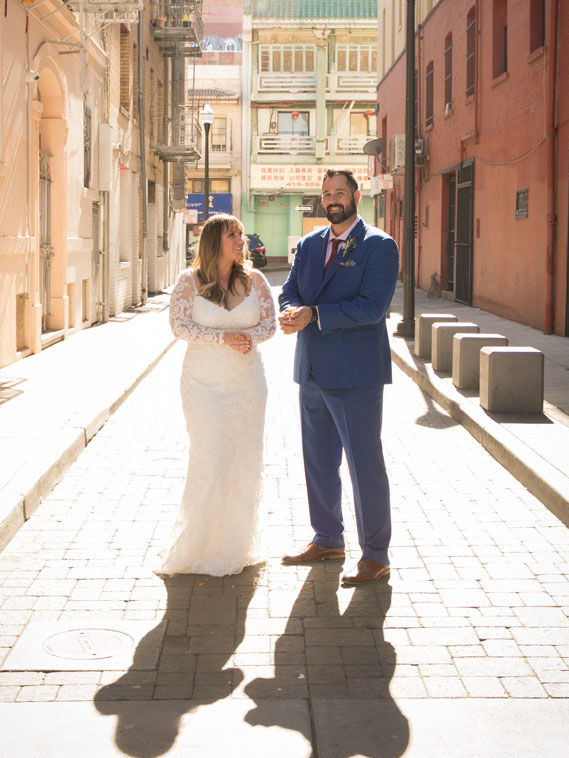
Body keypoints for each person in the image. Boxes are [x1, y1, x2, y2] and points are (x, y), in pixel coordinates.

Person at [278, 170, 399, 586]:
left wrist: (316, 315)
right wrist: (291, 310)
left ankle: (376, 554)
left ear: (356, 196)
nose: (332, 199)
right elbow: (290, 289)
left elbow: (372, 308)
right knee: (318, 464)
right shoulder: (310, 244)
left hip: (355, 375)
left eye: (339, 193)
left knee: (364, 466)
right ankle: (328, 538)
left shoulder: (379, 245)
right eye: (326, 193)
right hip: (310, 369)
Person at [156, 214, 276, 577]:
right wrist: (222, 338)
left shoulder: (255, 280)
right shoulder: (188, 282)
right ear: (213, 241)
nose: (241, 241)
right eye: (233, 235)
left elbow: (269, 324)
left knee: (243, 459)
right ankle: (198, 545)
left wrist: (248, 338)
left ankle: (234, 546)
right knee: (209, 455)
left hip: (247, 382)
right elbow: (179, 326)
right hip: (203, 383)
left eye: (241, 235)